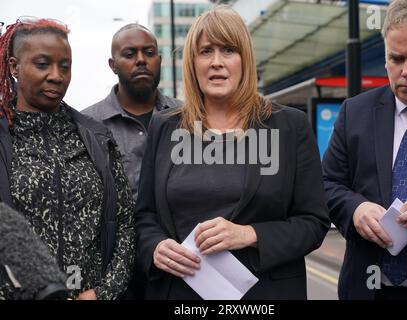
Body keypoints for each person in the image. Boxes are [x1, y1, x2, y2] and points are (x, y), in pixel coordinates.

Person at [134, 6, 330, 300]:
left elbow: (313, 223)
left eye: (228, 50)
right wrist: (155, 247)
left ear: (245, 60)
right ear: (192, 62)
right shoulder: (165, 125)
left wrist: (249, 234)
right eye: (205, 51)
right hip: (179, 293)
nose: (216, 62)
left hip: (263, 295)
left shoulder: (289, 125)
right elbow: (144, 216)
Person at [322, 0, 407, 300]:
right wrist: (356, 209)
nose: (406, 71)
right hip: (368, 289)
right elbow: (326, 184)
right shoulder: (355, 112)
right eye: (396, 58)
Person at [0, 18, 135, 300]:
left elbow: (123, 223)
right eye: (42, 64)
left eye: (65, 66)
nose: (56, 76)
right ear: (14, 66)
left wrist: (102, 293)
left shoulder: (97, 137)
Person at [82, 24, 181, 200]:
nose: (141, 60)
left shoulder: (186, 116)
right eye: (129, 54)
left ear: (159, 60)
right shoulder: (86, 124)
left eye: (149, 53)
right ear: (113, 65)